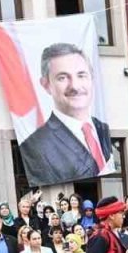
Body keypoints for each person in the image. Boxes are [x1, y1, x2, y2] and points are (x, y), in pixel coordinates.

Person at [19, 44, 114, 182]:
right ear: (46, 85)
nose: (75, 86)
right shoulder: (36, 147)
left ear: (92, 79)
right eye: (62, 78)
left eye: (81, 75)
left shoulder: (103, 130)